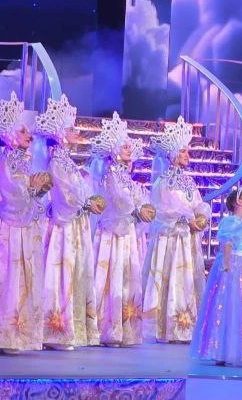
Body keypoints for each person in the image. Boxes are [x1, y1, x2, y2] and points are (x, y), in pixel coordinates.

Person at [0, 92, 50, 354]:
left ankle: (15, 335)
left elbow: (27, 194)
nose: (29, 135)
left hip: (22, 227)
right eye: (22, 131)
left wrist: (38, 189)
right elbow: (12, 193)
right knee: (5, 281)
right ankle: (2, 336)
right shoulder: (6, 162)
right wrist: (32, 188)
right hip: (7, 228)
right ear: (10, 134)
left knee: (20, 281)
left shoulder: (23, 163)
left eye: (28, 131)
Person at [35, 95, 102, 350]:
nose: (76, 132)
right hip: (63, 227)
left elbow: (78, 192)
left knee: (77, 273)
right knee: (61, 273)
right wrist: (85, 204)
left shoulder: (67, 162)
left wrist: (88, 201)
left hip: (76, 225)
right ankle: (57, 331)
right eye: (70, 128)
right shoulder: (56, 162)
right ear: (60, 133)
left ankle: (75, 329)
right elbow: (64, 195)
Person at [143, 116, 211, 343]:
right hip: (172, 238)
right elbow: (162, 210)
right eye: (183, 151)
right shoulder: (163, 182)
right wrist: (185, 219)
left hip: (188, 239)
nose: (187, 155)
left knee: (186, 281)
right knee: (172, 279)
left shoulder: (189, 181)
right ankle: (169, 327)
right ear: (172, 154)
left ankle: (186, 326)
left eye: (187, 151)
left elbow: (198, 202)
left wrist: (201, 216)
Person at [91, 113, 153, 348]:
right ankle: (107, 328)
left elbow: (137, 197)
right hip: (112, 233)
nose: (129, 149)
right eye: (124, 146)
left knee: (126, 278)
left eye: (129, 146)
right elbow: (118, 200)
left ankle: (125, 329)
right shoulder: (110, 174)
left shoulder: (125, 177)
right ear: (114, 149)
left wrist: (143, 208)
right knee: (111, 277)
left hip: (126, 232)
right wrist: (136, 209)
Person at [191, 187, 242, 366]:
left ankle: (238, 349)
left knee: (241, 307)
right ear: (238, 202)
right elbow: (227, 244)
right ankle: (221, 350)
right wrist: (227, 264)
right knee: (228, 305)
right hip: (233, 267)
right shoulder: (230, 222)